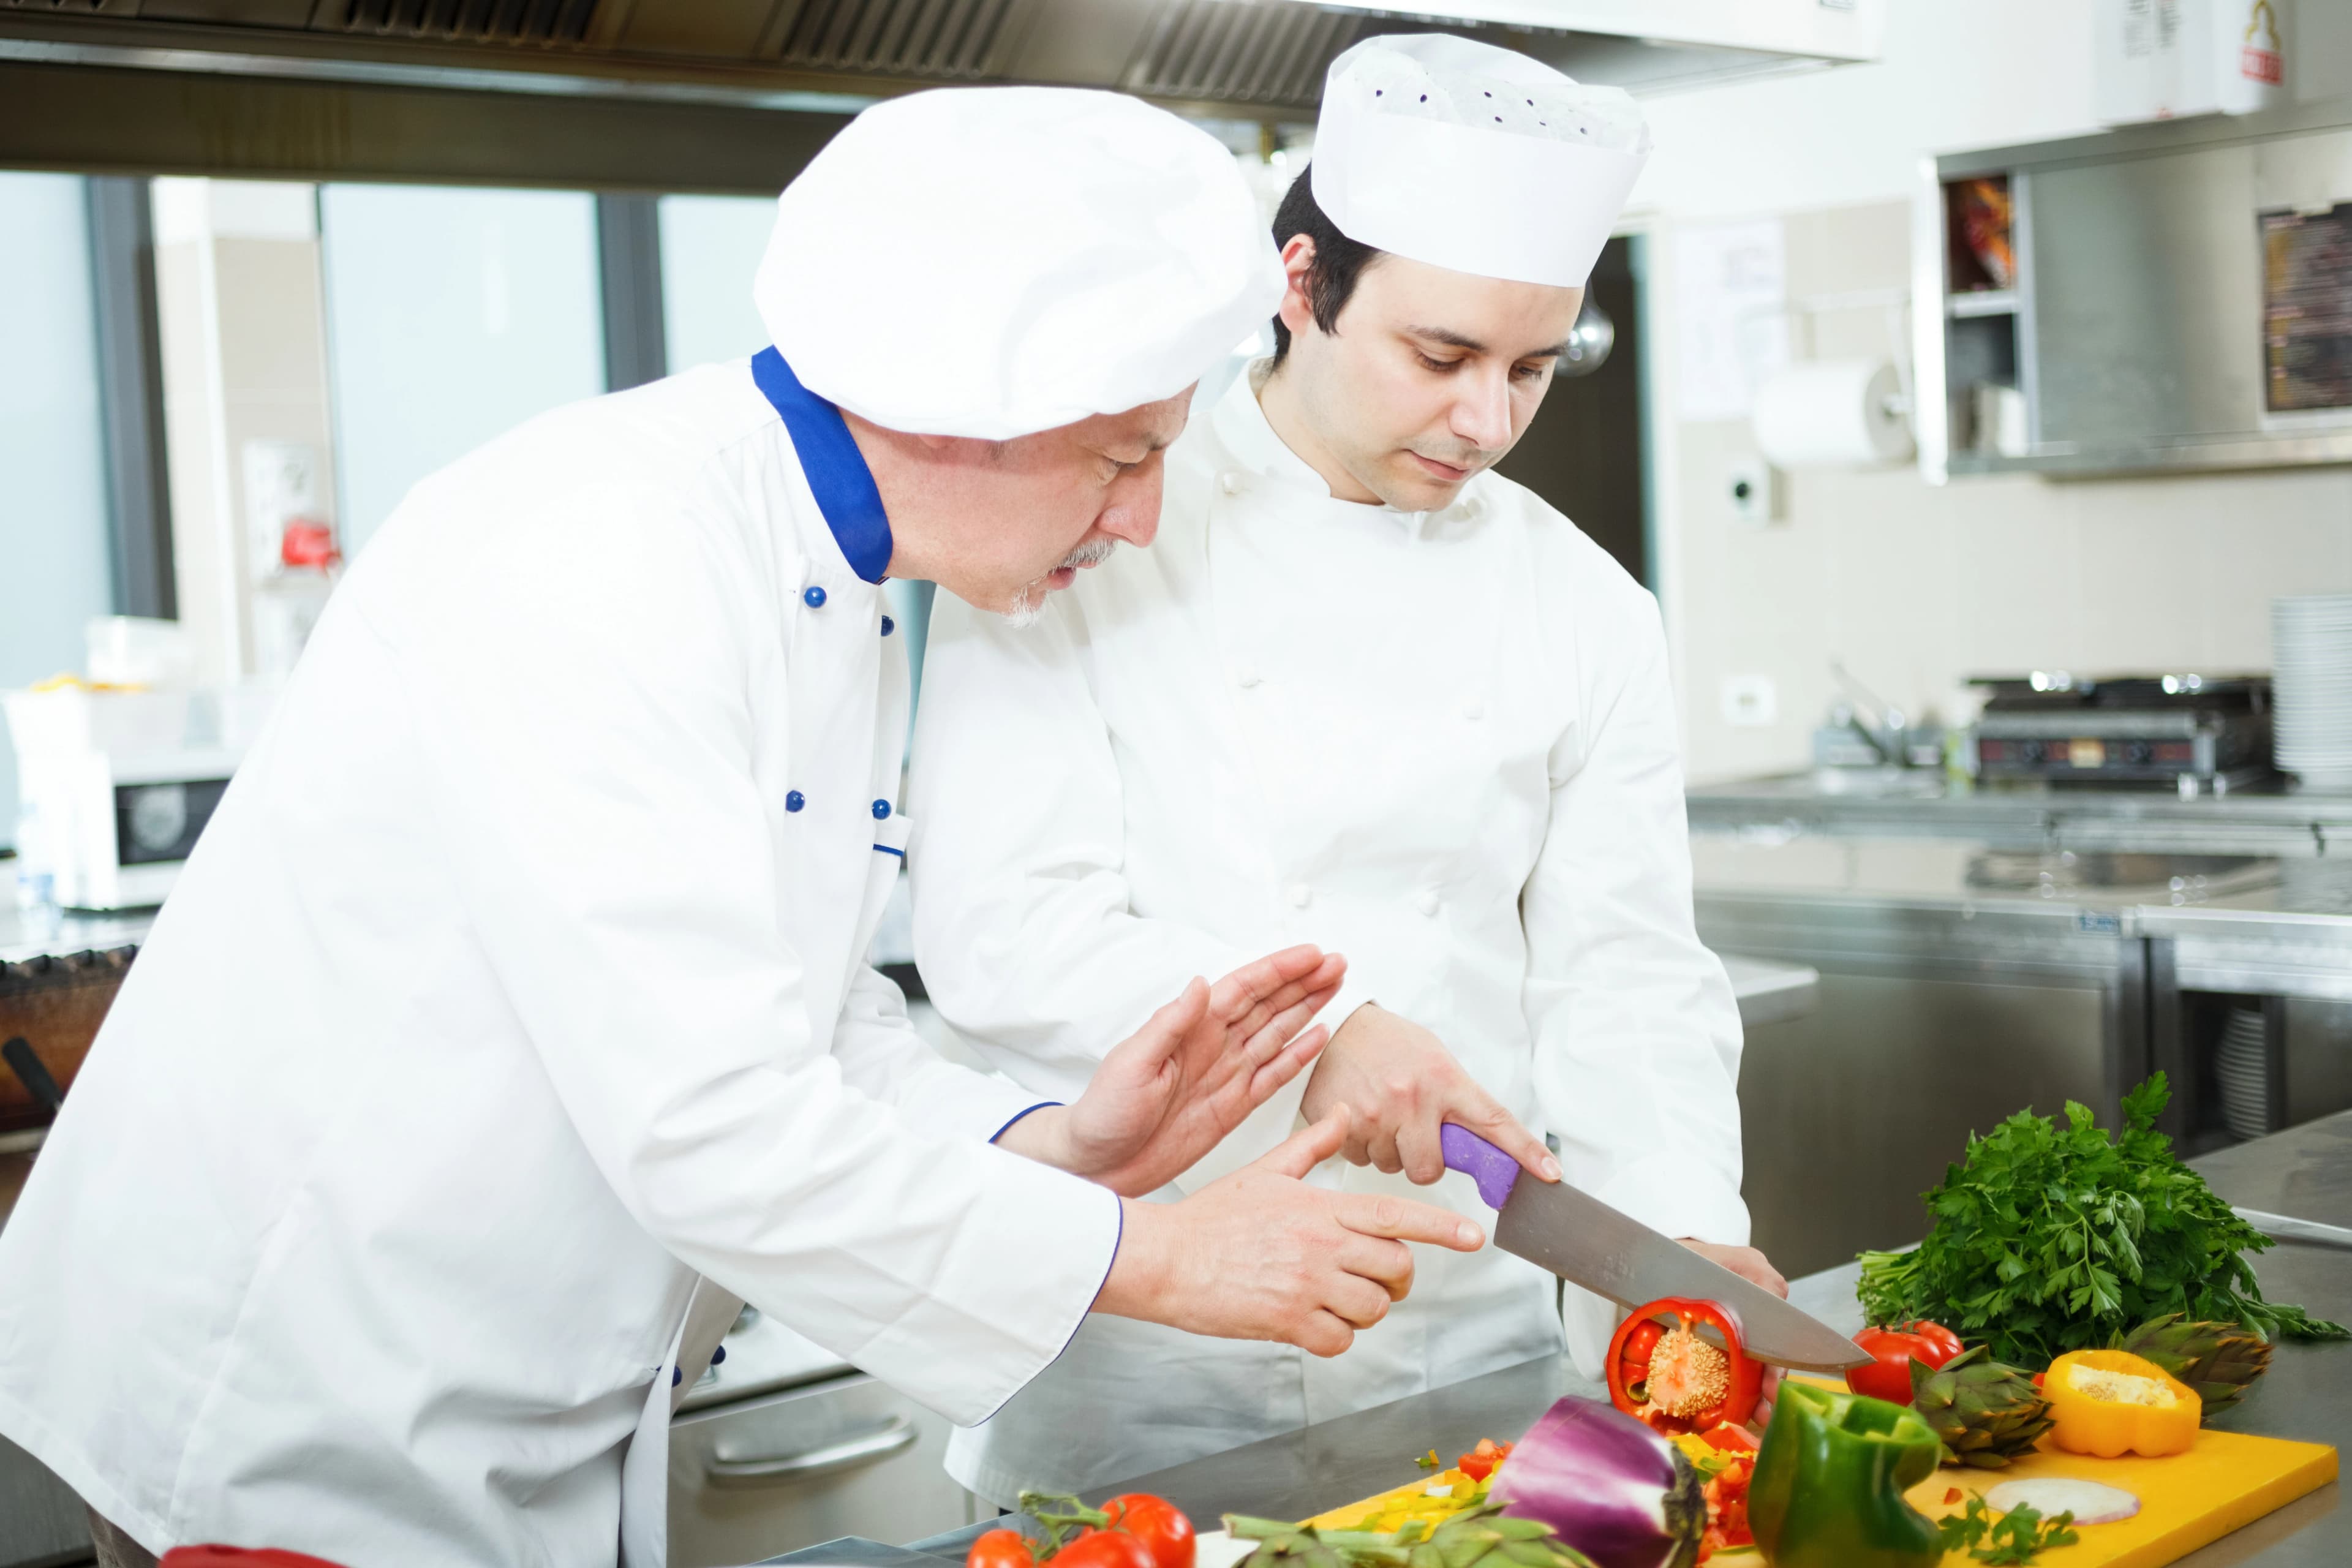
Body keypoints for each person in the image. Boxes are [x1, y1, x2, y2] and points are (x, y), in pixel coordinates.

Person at [0, 88, 1484, 1568]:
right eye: (1118, 458)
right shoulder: (605, 553)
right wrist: (1161, 1253)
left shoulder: (838, 579)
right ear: (952, 412)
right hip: (304, 1399)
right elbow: (711, 1125)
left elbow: (813, 1038)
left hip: (507, 1396)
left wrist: (1058, 1141)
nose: (1143, 521)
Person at [907, 35, 1786, 1507]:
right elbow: (1005, 925)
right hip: (1144, 1356)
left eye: (1530, 368)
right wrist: (1327, 1034)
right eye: (1441, 357)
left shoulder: (1585, 605)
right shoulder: (1091, 522)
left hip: (1472, 1353)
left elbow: (1625, 976)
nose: (1488, 422)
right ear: (1302, 282)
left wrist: (1679, 1240)